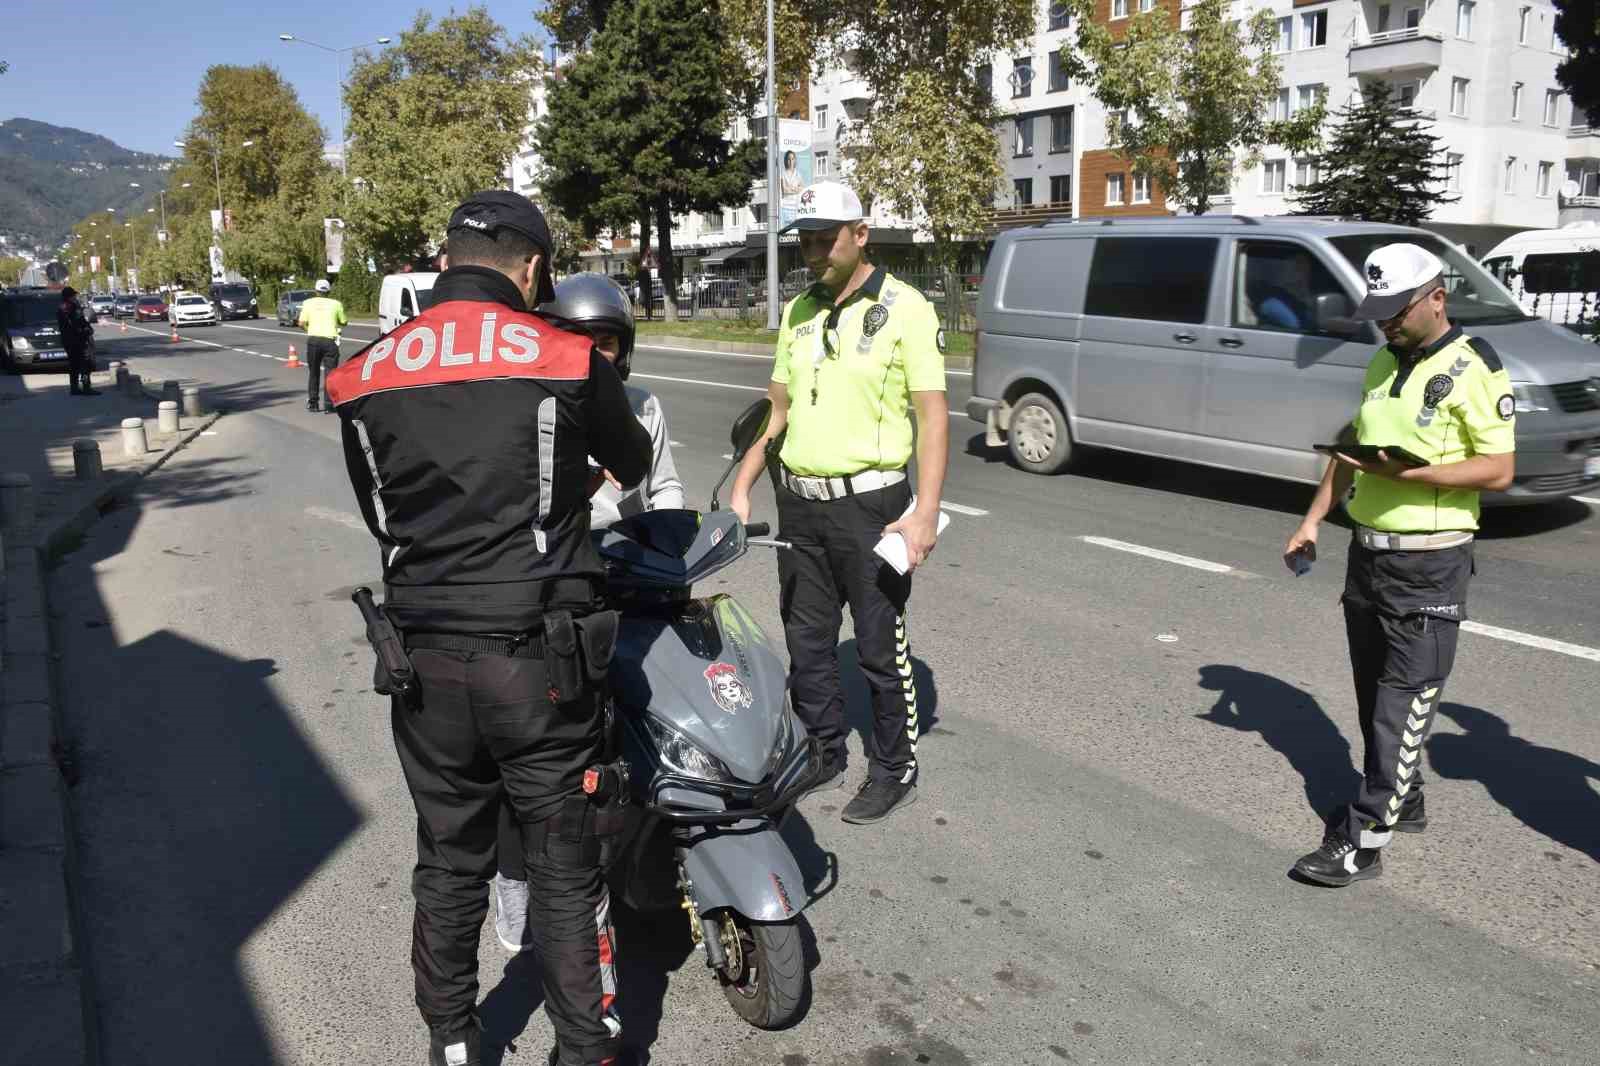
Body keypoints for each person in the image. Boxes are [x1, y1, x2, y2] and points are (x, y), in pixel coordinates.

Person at [326, 189, 652, 1066]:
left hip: (422, 660)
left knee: (449, 859)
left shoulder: (366, 372)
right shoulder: (564, 355)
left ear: (447, 257)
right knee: (562, 862)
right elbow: (635, 461)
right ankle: (583, 1047)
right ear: (534, 266)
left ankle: (453, 1040)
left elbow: (382, 514)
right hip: (540, 659)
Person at [1282, 242, 1515, 887]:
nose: (1385, 321)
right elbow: (1353, 447)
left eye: (1397, 309)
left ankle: (1363, 841)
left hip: (1430, 565)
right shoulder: (1383, 359)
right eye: (1378, 309)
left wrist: (1413, 473)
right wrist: (1312, 519)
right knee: (1370, 695)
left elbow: (1498, 469)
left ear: (1437, 298)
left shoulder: (1475, 368)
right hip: (1369, 558)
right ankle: (1399, 794)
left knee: (1400, 707)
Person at [727, 180, 949, 826]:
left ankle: (893, 766)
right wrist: (743, 486)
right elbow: (777, 410)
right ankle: (823, 748)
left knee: (879, 647)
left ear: (861, 233)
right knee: (808, 640)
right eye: (805, 240)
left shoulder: (905, 308)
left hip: (873, 506)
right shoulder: (798, 313)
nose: (815, 251)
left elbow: (933, 419)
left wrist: (926, 512)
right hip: (800, 502)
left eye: (828, 238)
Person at [487, 272, 684, 954]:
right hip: (553, 584)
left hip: (630, 572)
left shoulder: (642, 404)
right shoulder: (533, 407)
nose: (596, 356)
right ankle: (512, 877)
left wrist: (678, 545)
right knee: (536, 745)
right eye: (581, 342)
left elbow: (663, 487)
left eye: (607, 343)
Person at [298, 278, 347, 412]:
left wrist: (310, 330)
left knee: (313, 372)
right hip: (330, 341)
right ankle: (329, 405)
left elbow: (301, 323)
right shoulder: (336, 304)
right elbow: (344, 321)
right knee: (330, 374)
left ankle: (313, 403)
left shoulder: (307, 303)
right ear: (329, 291)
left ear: (315, 290)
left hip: (313, 340)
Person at [58, 286, 98, 396]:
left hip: (68, 340)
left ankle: (74, 388)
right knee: (85, 364)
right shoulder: (72, 307)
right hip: (78, 339)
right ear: (70, 296)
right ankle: (86, 387)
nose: (75, 297)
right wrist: (86, 330)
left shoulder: (61, 307)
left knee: (73, 365)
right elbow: (78, 321)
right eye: (73, 295)